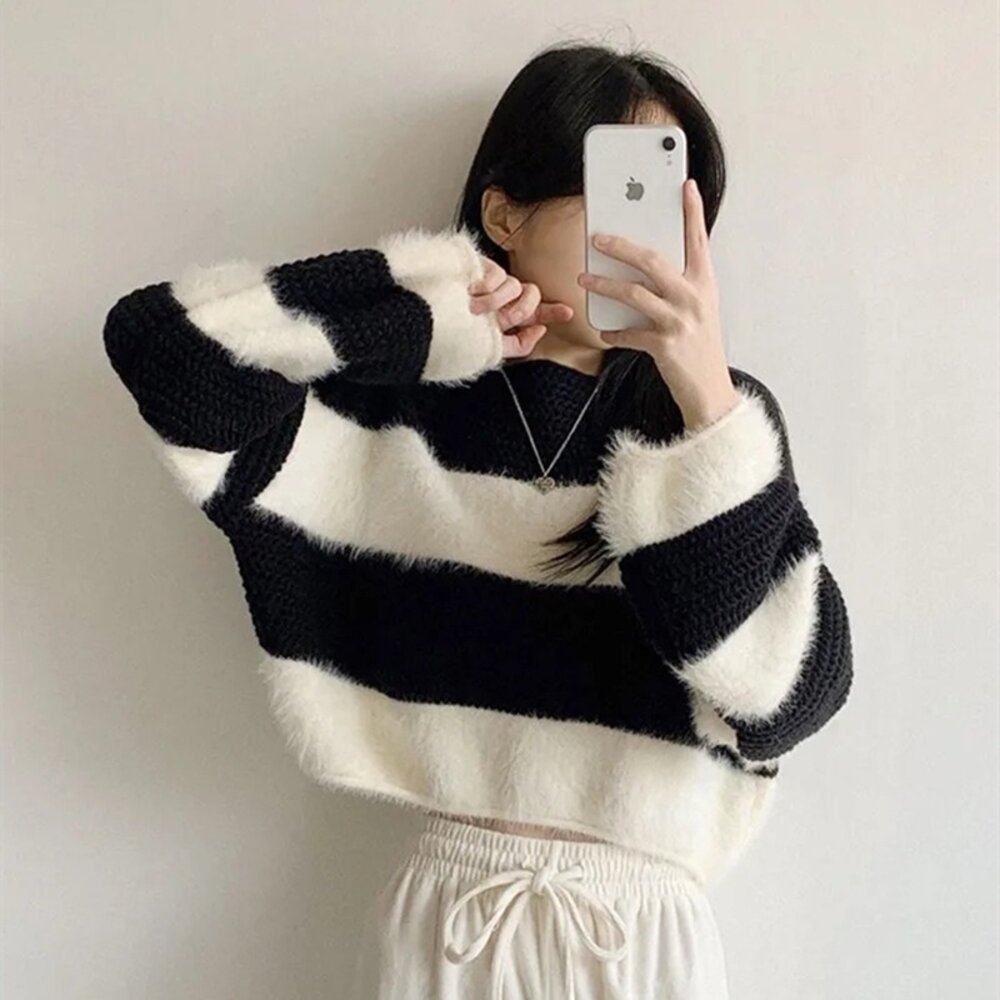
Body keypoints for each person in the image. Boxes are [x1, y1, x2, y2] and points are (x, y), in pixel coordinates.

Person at [102, 39, 853, 1000]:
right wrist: (420, 310)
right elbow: (167, 353)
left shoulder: (714, 432)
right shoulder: (392, 417)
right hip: (451, 920)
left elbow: (788, 702)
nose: (643, 235)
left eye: (670, 202)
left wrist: (705, 392)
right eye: (616, 188)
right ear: (504, 212)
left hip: (640, 935)